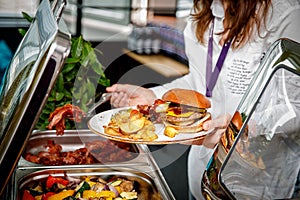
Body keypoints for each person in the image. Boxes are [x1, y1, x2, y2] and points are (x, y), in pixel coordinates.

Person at [106, 0, 300, 199]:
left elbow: (295, 107)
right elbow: (203, 84)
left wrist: (243, 127)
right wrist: (155, 97)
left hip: (256, 185)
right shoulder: (202, 9)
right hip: (200, 176)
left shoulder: (287, 14)